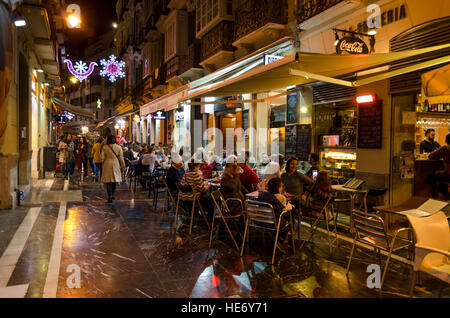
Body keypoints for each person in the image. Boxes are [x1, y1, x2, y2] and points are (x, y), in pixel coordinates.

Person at [257, 177, 293, 249]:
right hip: (275, 222)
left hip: (261, 220)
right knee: (289, 217)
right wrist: (291, 206)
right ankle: (283, 239)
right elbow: (285, 208)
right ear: (279, 188)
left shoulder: (262, 195)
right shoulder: (281, 197)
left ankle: (276, 236)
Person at [101, 134, 125, 203]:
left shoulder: (104, 147)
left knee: (108, 182)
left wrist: (103, 161)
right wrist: (123, 166)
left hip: (107, 164)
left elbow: (101, 158)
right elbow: (121, 158)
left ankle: (110, 196)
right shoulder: (118, 147)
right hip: (116, 164)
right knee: (114, 180)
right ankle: (113, 195)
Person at [427, 133, 450, 198]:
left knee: (430, 178)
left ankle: (442, 193)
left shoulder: (445, 148)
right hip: (447, 173)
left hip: (448, 174)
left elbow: (431, 156)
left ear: (446, 141)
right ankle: (444, 192)